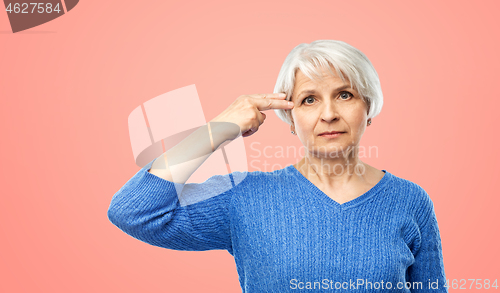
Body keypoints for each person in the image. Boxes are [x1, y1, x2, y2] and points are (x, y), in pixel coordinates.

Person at [107, 40, 448, 292]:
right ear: (289, 117)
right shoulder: (244, 198)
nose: (328, 113)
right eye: (308, 99)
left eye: (345, 95)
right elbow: (134, 212)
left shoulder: (410, 201)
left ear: (368, 109)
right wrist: (218, 128)